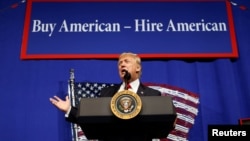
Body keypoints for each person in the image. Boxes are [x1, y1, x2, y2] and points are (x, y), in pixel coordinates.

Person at [49, 52, 162, 141]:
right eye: (119, 63)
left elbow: (159, 126)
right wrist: (69, 109)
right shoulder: (106, 93)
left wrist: (170, 122)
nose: (121, 64)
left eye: (126, 61)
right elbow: (91, 119)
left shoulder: (152, 95)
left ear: (138, 68)